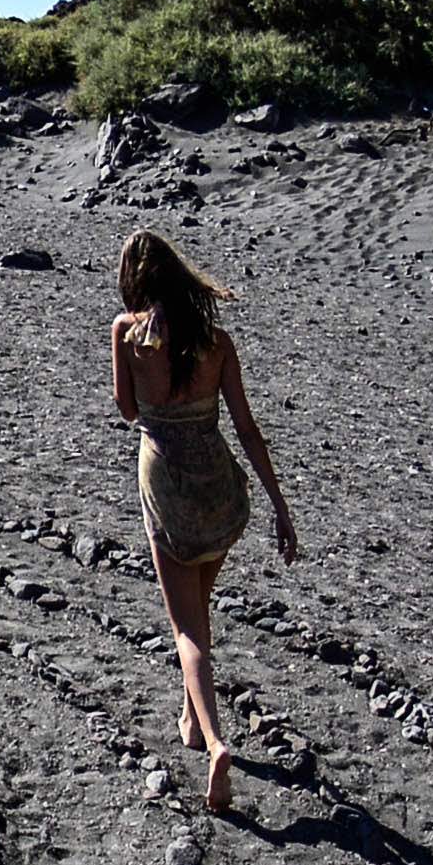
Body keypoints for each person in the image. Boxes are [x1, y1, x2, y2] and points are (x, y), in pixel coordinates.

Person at [109, 230, 298, 813]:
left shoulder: (126, 333)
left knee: (186, 629)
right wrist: (278, 504)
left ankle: (216, 744)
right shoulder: (218, 342)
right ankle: (192, 719)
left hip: (165, 482)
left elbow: (127, 409)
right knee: (199, 605)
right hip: (218, 485)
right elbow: (246, 428)